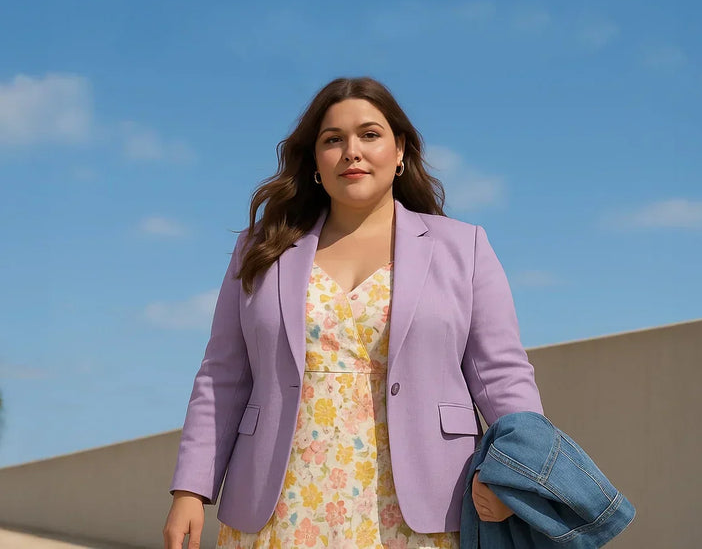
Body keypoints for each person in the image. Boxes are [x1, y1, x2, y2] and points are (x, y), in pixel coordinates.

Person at [162, 76, 544, 549]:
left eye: (369, 134)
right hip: (279, 506)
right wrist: (190, 489)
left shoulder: (463, 247)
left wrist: (517, 478)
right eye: (333, 140)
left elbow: (502, 374)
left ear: (399, 150)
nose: (352, 152)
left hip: (426, 507)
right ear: (315, 160)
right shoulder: (262, 247)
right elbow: (222, 374)